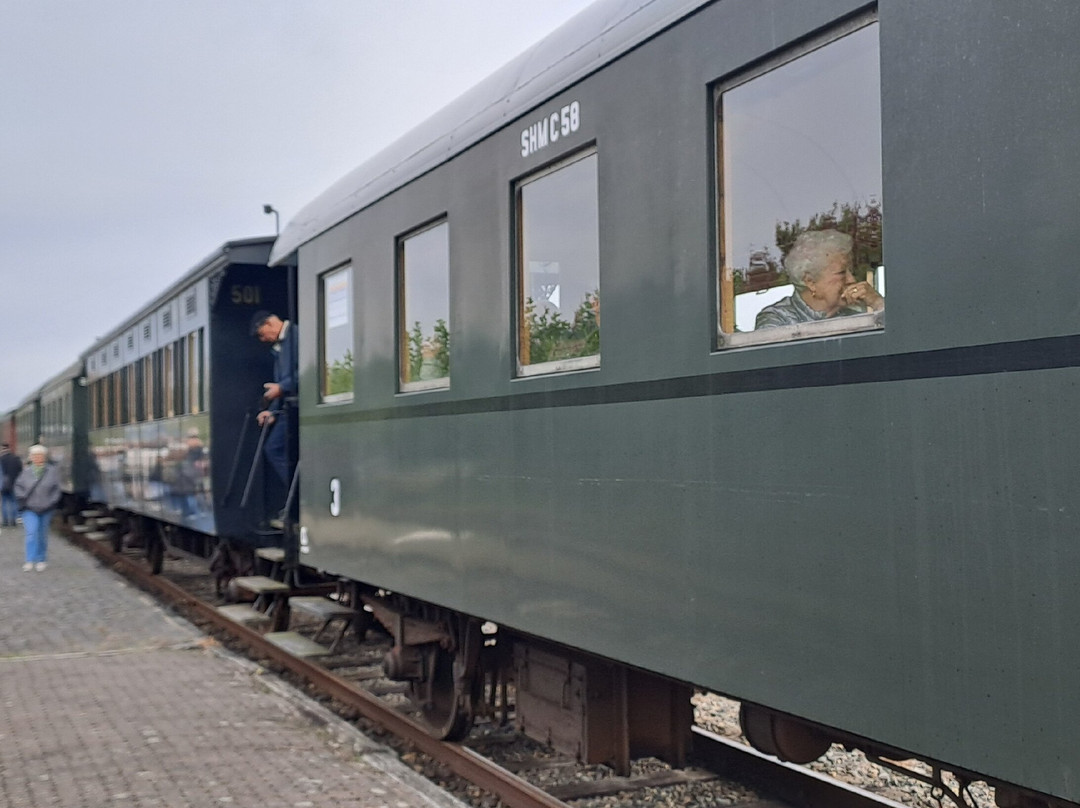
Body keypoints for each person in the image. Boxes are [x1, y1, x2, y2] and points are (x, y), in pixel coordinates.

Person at [755, 229, 884, 330]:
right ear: (810, 282)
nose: (851, 279)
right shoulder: (776, 319)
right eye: (841, 273)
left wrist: (878, 303)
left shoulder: (855, 313)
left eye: (851, 272)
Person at [250, 311, 298, 522]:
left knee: (275, 449)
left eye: (263, 334)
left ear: (271, 323)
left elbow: (309, 368)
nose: (264, 340)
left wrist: (282, 387)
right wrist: (273, 411)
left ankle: (298, 498)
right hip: (287, 409)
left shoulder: (297, 336)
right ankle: (295, 500)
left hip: (298, 409)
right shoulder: (282, 345)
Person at [14, 444, 62, 572]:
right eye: (35, 455)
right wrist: (22, 496)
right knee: (31, 533)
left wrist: (52, 501)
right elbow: (18, 486)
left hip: (46, 508)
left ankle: (41, 559)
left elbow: (57, 489)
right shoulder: (26, 472)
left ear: (44, 457)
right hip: (29, 508)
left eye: (40, 455)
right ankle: (30, 560)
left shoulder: (52, 471)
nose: (37, 458)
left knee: (42, 534)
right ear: (31, 457)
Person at [0, 443, 23, 526]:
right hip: (14, 485)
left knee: (4, 503)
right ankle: (13, 521)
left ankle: (5, 521)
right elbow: (21, 471)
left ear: (2, 449)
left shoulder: (1, 459)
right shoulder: (16, 458)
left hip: (3, 485)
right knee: (14, 502)